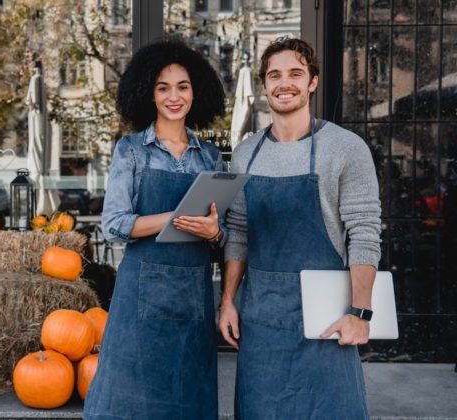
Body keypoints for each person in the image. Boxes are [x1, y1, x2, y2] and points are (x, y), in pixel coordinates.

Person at [219, 37, 382, 419]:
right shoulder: (245, 153)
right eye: (274, 75)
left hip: (328, 320)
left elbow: (364, 231)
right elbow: (239, 232)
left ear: (312, 82)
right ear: (264, 86)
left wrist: (361, 313)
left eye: (295, 73)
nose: (284, 83)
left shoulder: (345, 147)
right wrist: (228, 302)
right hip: (262, 324)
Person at [84, 40, 226, 419]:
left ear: (197, 91)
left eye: (183, 86)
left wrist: (213, 232)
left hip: (194, 296)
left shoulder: (210, 156)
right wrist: (173, 217)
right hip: (139, 297)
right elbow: (113, 224)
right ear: (148, 93)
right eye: (163, 87)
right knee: (132, 399)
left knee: (188, 394)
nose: (174, 96)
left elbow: (222, 236)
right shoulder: (131, 150)